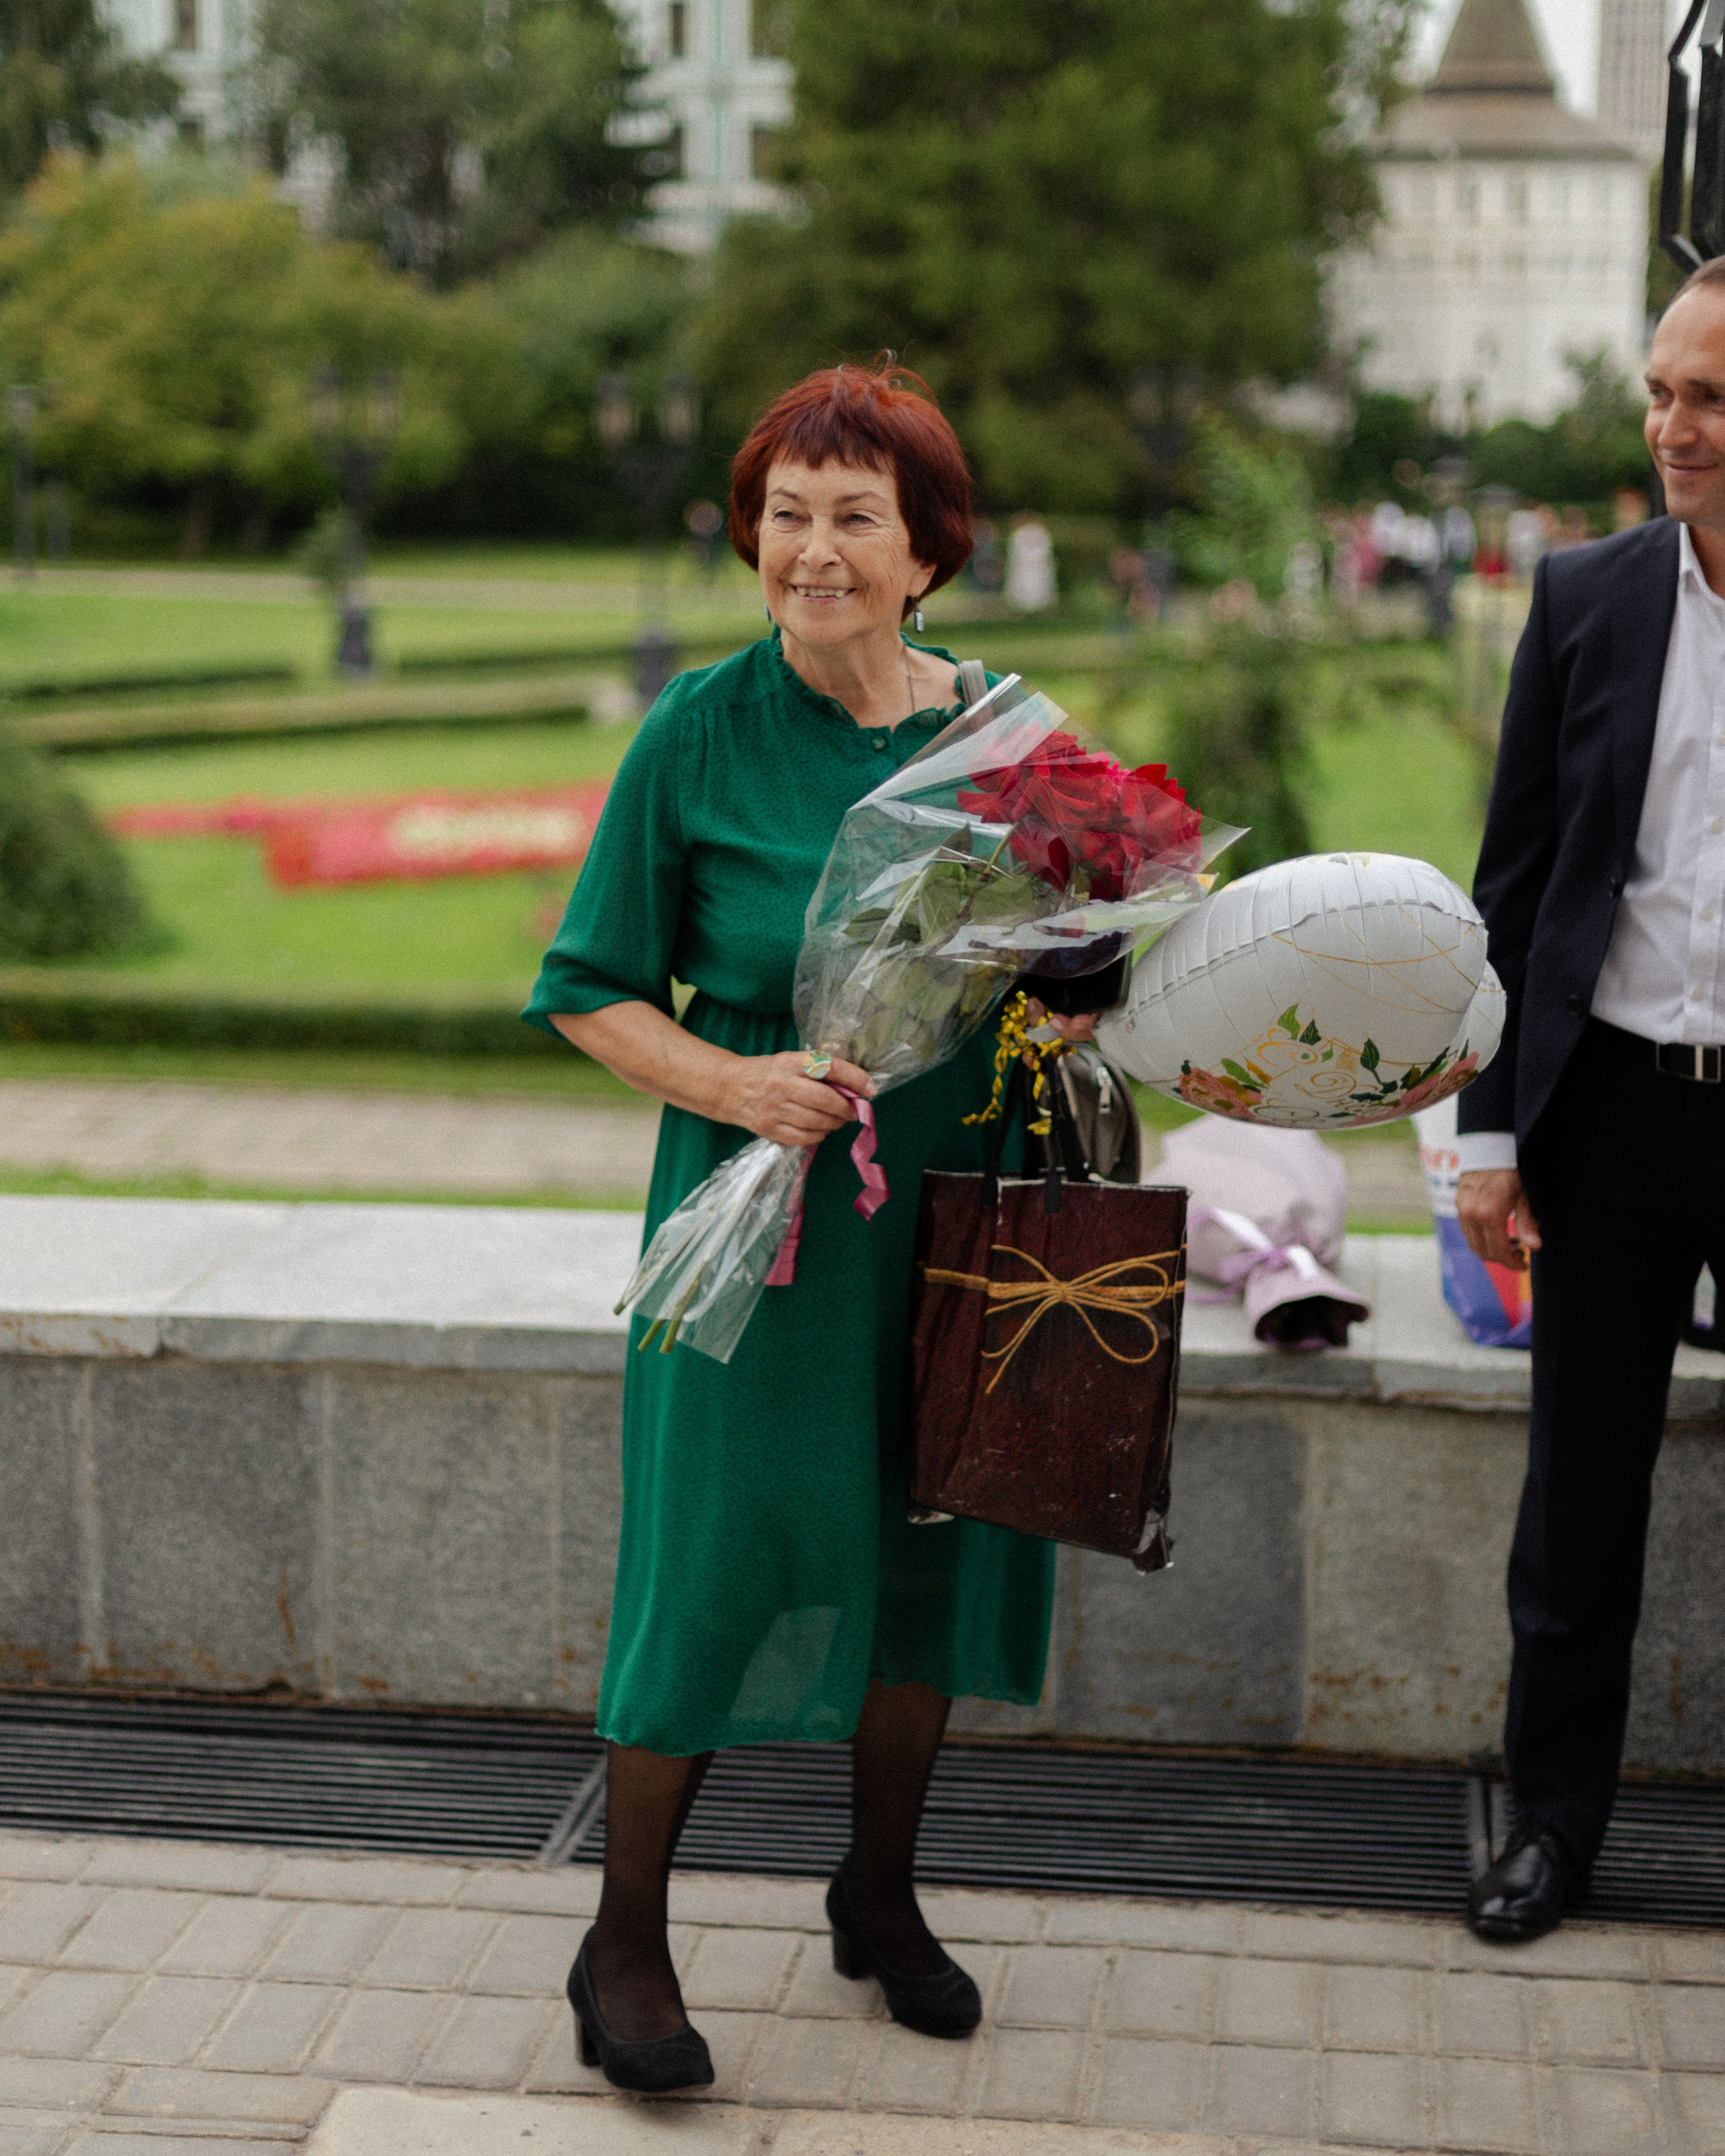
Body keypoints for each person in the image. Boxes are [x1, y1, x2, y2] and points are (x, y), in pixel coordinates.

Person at [524, 363, 1088, 2091]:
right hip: (756, 1231)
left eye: (854, 515)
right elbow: (583, 990)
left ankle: (879, 1890)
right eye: (784, 512)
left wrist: (1089, 996)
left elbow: (1112, 951)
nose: (812, 549)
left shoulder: (1016, 737)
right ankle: (622, 1934)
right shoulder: (693, 730)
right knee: (708, 1568)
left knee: (930, 1547)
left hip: (962, 1221)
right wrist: (735, 1084)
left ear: (930, 550)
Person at [1455, 258, 1725, 1943]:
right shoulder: (1584, 599)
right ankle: (1550, 1828)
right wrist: (1488, 1133)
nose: (1668, 426)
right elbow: (1513, 888)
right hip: (1609, 1109)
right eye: (1660, 389)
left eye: (1706, 399)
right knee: (1577, 1501)